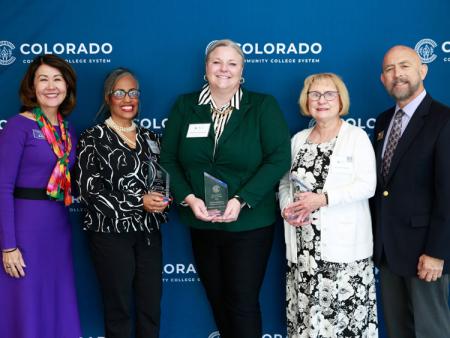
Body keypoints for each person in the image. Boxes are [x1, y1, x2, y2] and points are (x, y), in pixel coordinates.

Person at [160, 39, 290, 338]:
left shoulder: (261, 105)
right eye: (217, 62)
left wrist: (242, 199)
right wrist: (189, 198)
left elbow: (279, 157)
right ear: (206, 68)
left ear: (242, 70)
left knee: (241, 303)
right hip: (201, 220)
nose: (224, 69)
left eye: (232, 63)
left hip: (249, 223)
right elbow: (167, 158)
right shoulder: (185, 106)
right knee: (217, 299)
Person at [279, 73, 378, 337]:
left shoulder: (356, 137)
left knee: (344, 324)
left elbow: (367, 186)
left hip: (343, 254)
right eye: (315, 94)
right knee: (308, 325)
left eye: (329, 94)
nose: (321, 100)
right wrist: (288, 208)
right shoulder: (298, 140)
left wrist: (322, 199)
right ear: (306, 101)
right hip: (303, 252)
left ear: (340, 100)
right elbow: (284, 183)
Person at [75, 68, 169, 338]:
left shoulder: (151, 138)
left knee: (150, 306)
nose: (127, 98)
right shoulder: (92, 138)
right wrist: (139, 201)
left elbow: (163, 179)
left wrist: (164, 200)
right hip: (110, 234)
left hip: (149, 234)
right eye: (120, 92)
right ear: (108, 98)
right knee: (119, 310)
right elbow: (89, 191)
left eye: (133, 92)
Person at [372, 45, 450, 338]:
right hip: (389, 251)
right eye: (390, 69)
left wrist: (437, 252)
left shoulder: (444, 120)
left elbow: (448, 193)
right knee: (398, 331)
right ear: (382, 79)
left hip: (425, 253)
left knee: (432, 331)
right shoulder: (382, 122)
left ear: (423, 70)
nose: (397, 74)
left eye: (404, 66)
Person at [0, 54, 81, 337]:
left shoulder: (68, 130)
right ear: (32, 87)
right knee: (26, 305)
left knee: (54, 303)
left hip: (57, 229)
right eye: (43, 79)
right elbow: (2, 187)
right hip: (24, 232)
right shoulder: (17, 126)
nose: (51, 86)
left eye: (57, 79)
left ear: (67, 86)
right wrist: (8, 245)